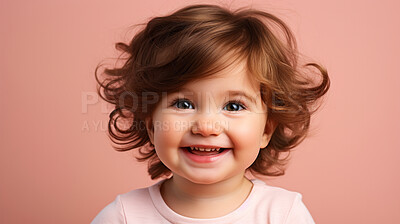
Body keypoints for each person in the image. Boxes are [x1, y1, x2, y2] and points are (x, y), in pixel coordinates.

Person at [91, 3, 330, 224]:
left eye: (233, 106)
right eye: (183, 104)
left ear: (266, 129)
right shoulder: (123, 217)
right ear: (152, 125)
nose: (206, 126)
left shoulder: (282, 215)